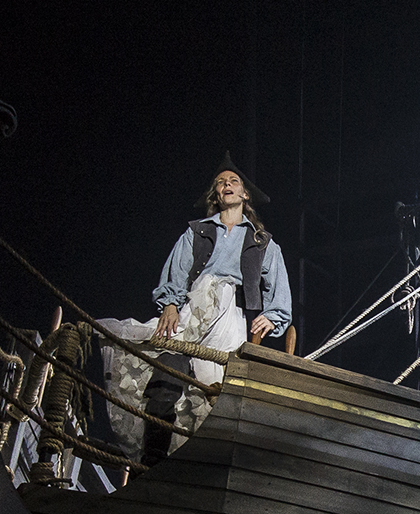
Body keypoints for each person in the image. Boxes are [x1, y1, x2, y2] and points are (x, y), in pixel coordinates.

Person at [98, 156, 290, 467]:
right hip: (193, 308)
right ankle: (152, 461)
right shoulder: (197, 232)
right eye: (220, 183)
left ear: (244, 194)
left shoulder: (262, 242)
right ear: (217, 195)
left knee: (214, 391)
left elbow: (278, 289)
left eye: (233, 181)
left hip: (230, 316)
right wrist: (171, 304)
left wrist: (272, 315)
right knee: (165, 373)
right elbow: (176, 272)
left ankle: (200, 465)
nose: (226, 185)